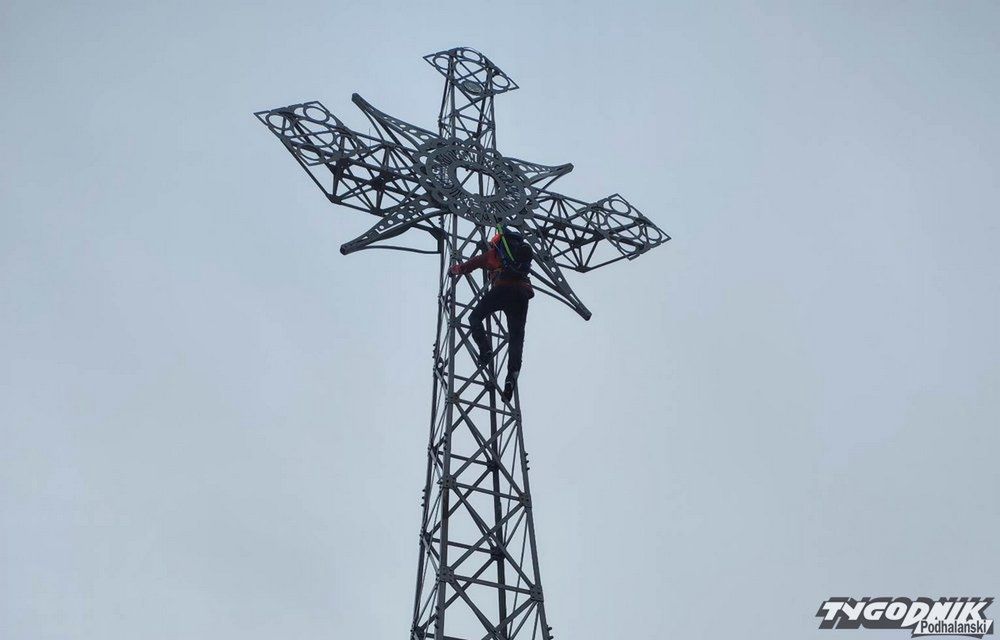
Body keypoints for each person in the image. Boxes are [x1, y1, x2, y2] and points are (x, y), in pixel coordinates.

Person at [449, 227, 534, 402]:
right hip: (522, 294)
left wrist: (454, 270)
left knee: (475, 317)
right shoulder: (519, 257)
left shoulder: (493, 254)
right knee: (516, 337)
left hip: (503, 289)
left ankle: (485, 349)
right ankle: (511, 377)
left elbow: (467, 266)